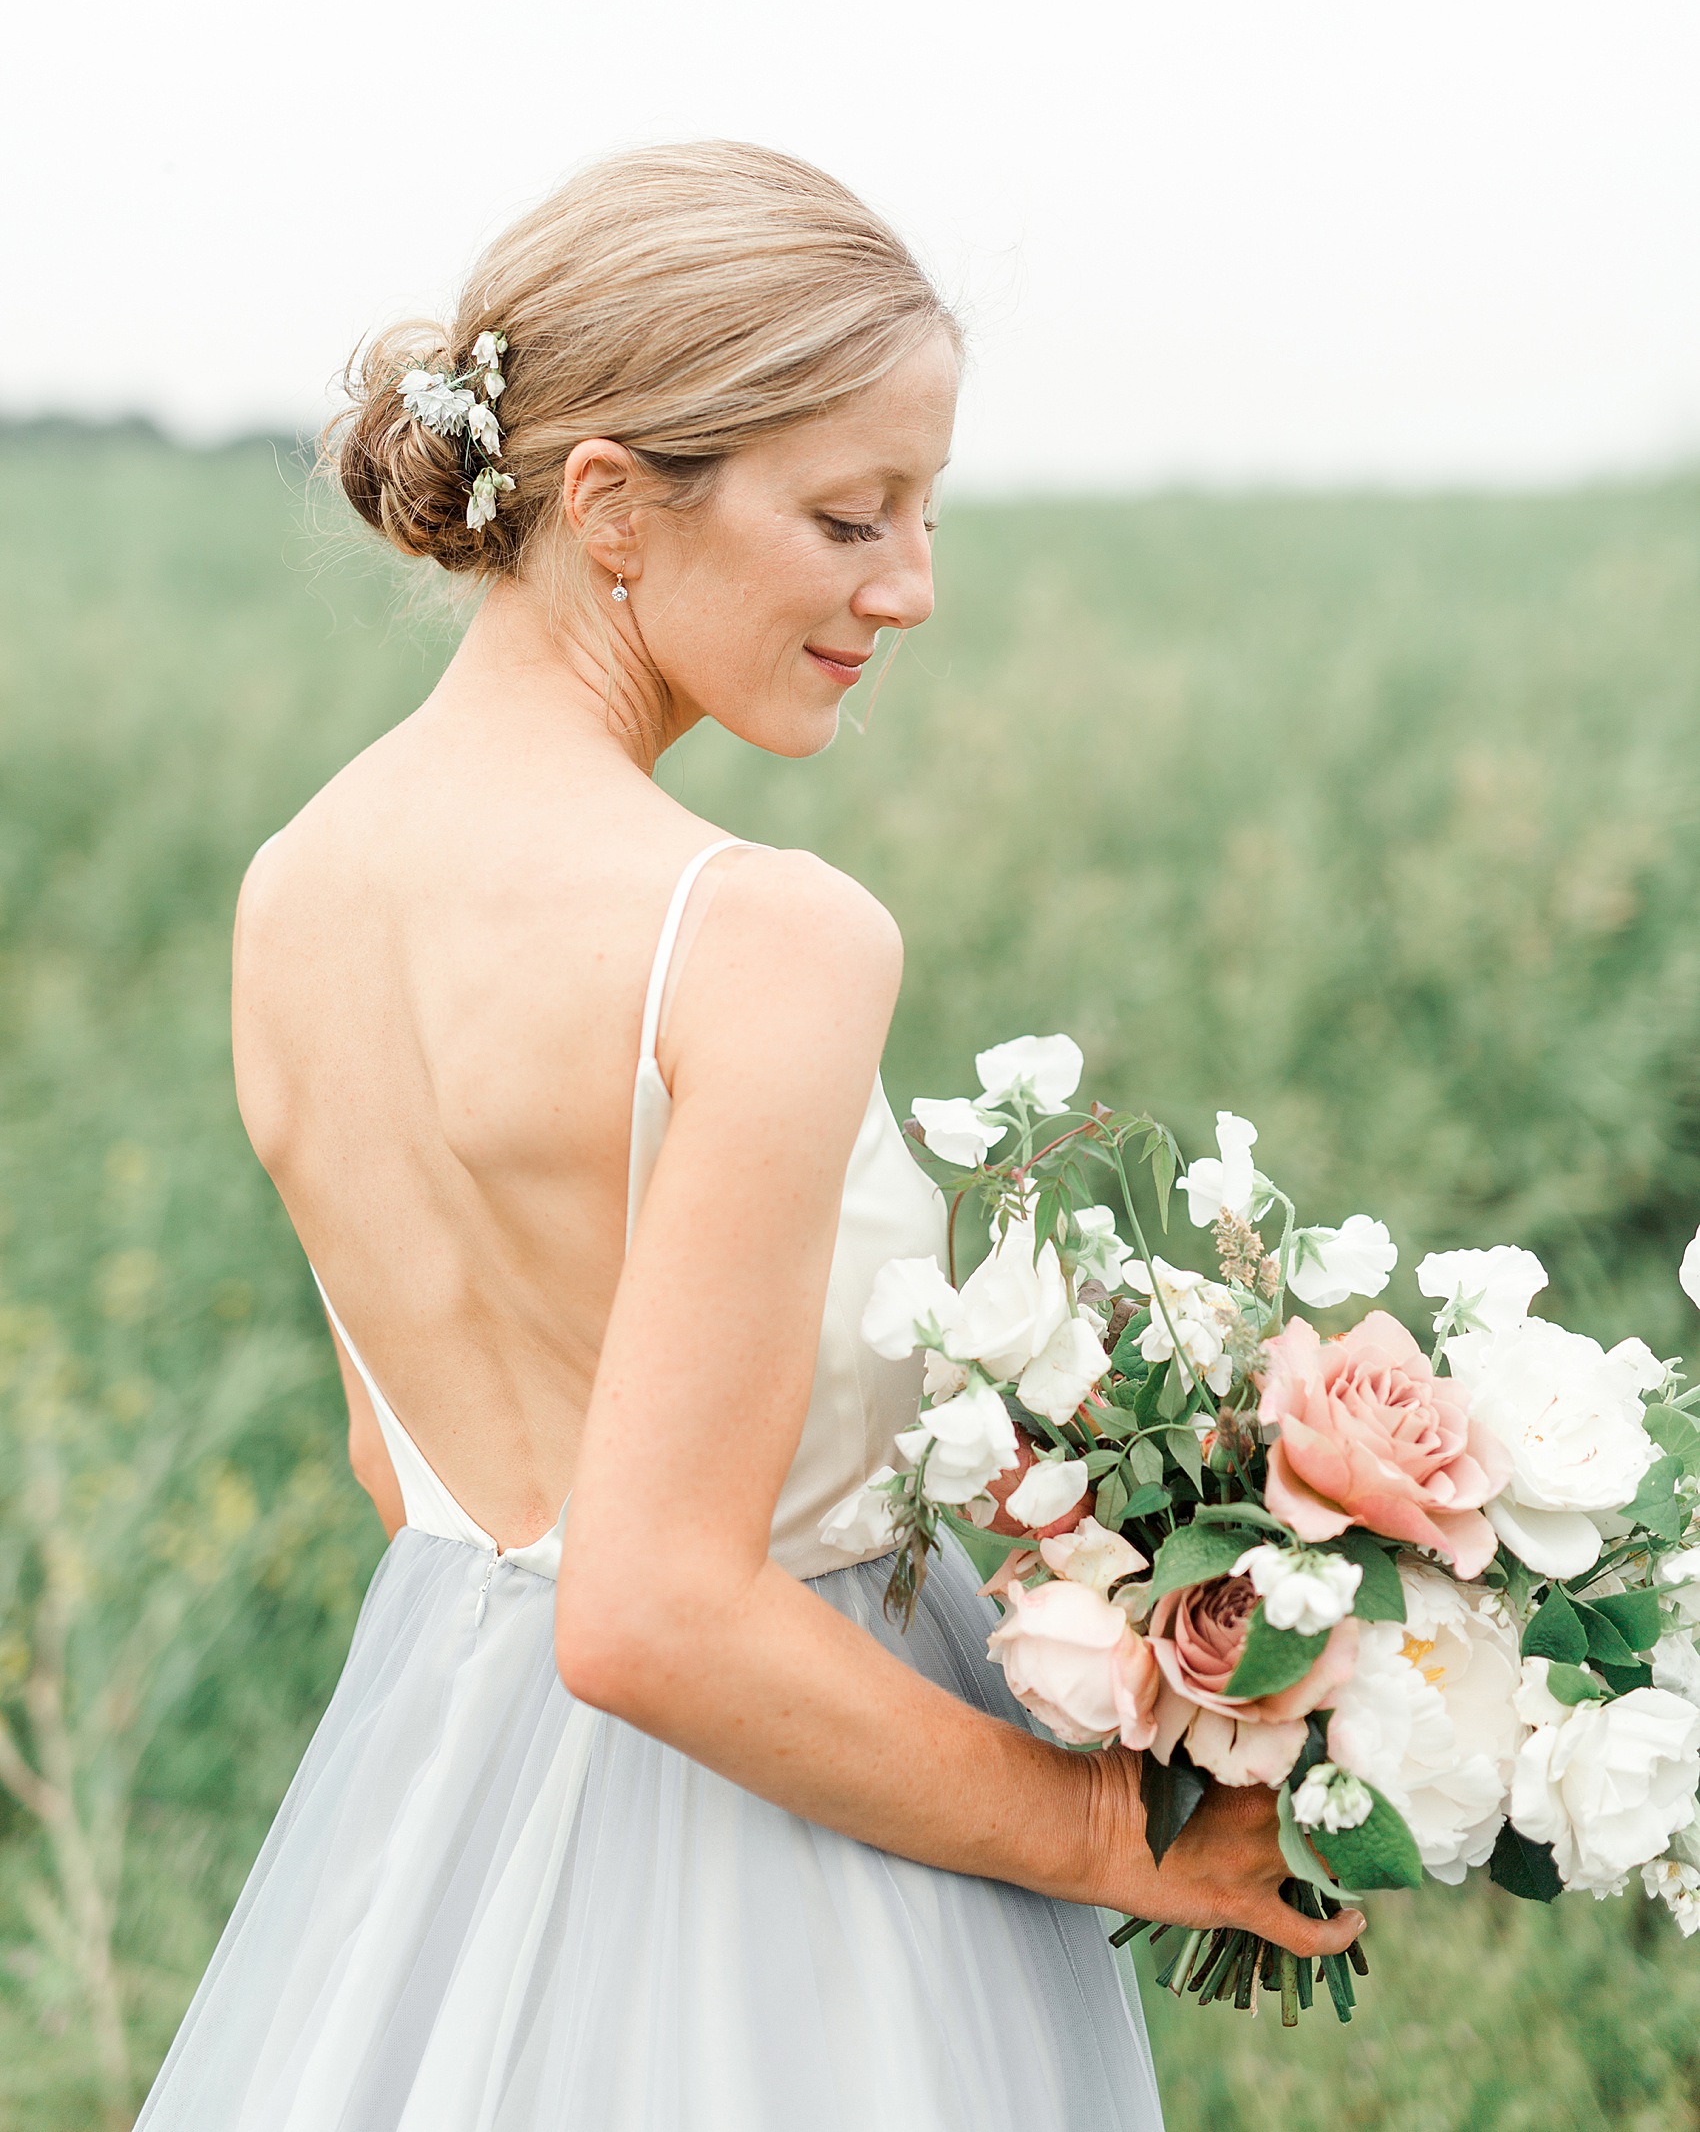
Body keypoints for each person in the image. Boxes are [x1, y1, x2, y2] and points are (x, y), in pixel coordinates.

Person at [137, 142, 1360, 2130]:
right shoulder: (760, 936)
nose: (910, 588)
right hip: (790, 1884)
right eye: (850, 515)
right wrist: (1110, 1838)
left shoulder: (296, 889)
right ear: (611, 503)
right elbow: (645, 1610)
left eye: (926, 515)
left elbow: (413, 1468)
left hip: (452, 1816)